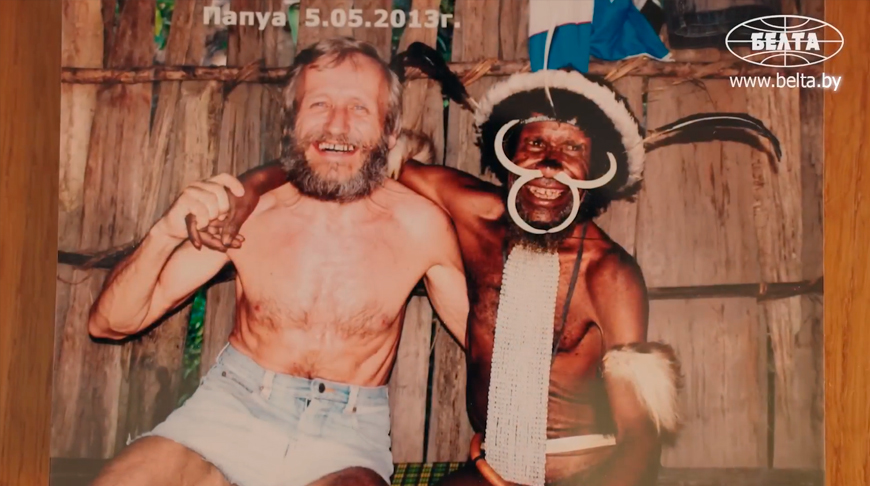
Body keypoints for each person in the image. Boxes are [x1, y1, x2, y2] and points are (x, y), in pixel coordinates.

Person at [201, 53, 780, 486]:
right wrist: (249, 188)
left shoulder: (609, 275)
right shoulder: (473, 212)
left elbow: (639, 441)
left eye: (572, 149)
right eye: (535, 143)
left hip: (584, 473)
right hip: (493, 468)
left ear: (596, 173)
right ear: (508, 155)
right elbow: (351, 160)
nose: (549, 161)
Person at [86, 37, 469, 486]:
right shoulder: (249, 214)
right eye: (319, 104)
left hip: (346, 435)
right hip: (227, 413)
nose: (337, 125)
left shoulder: (421, 227)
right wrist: (164, 233)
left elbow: (485, 345)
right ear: (292, 122)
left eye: (359, 108)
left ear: (389, 130)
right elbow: (110, 324)